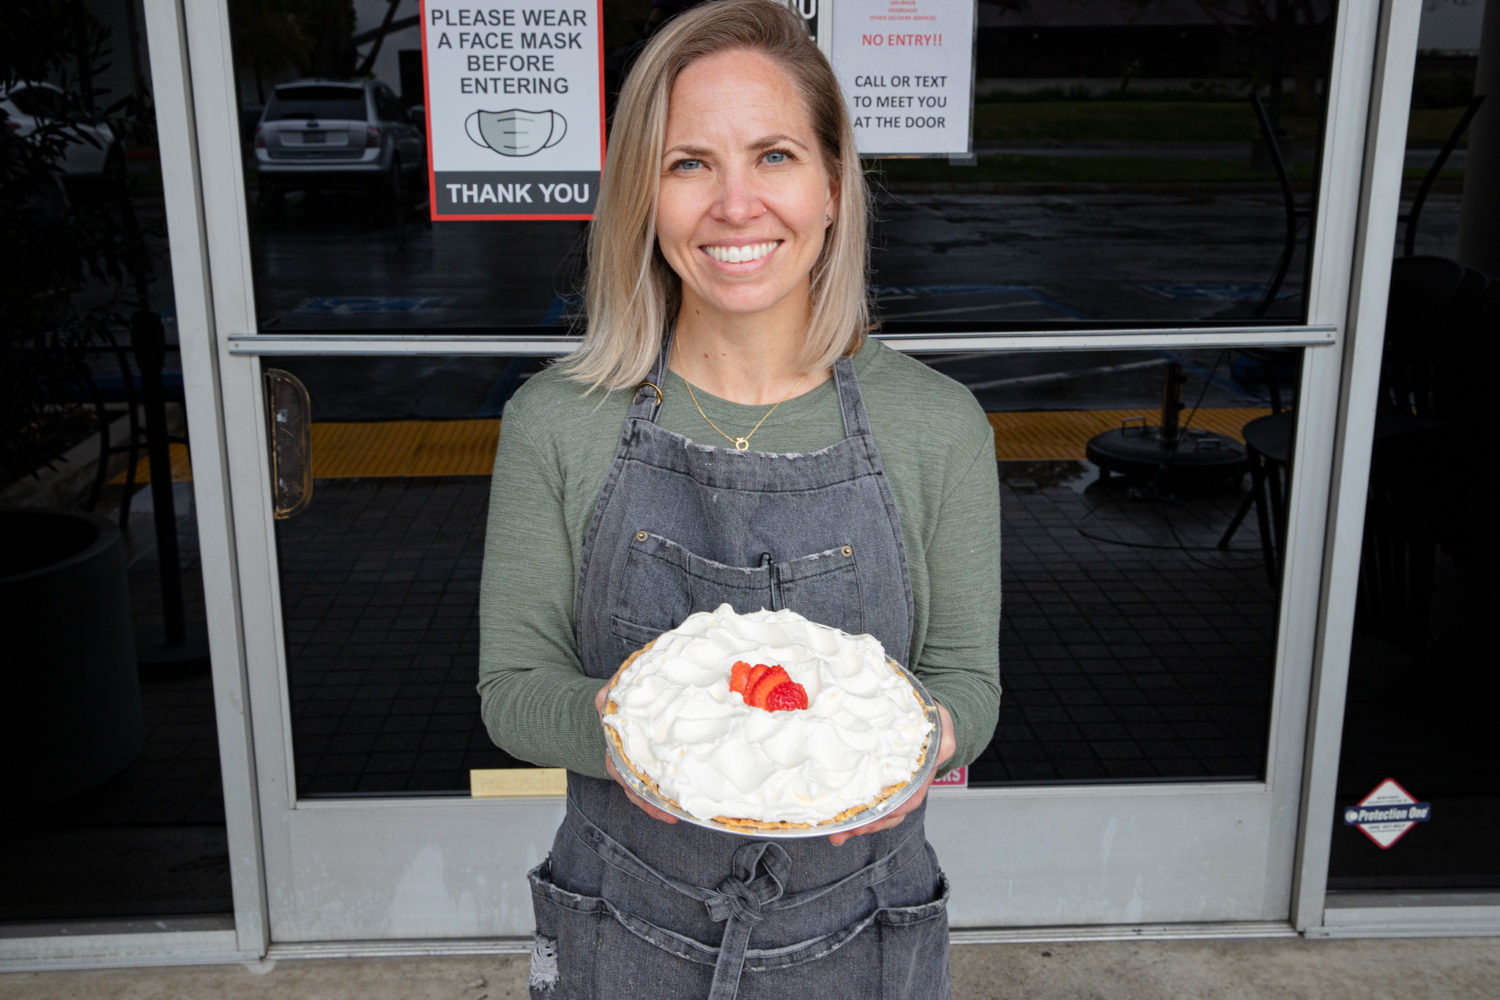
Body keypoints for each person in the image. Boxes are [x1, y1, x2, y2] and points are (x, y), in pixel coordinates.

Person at [478, 2, 1000, 996]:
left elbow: (970, 685)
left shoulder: (937, 426)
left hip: (864, 934)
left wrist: (916, 741)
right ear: (643, 194)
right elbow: (512, 691)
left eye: (773, 155)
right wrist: (656, 742)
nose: (734, 204)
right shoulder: (557, 422)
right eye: (689, 163)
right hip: (619, 928)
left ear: (834, 184)